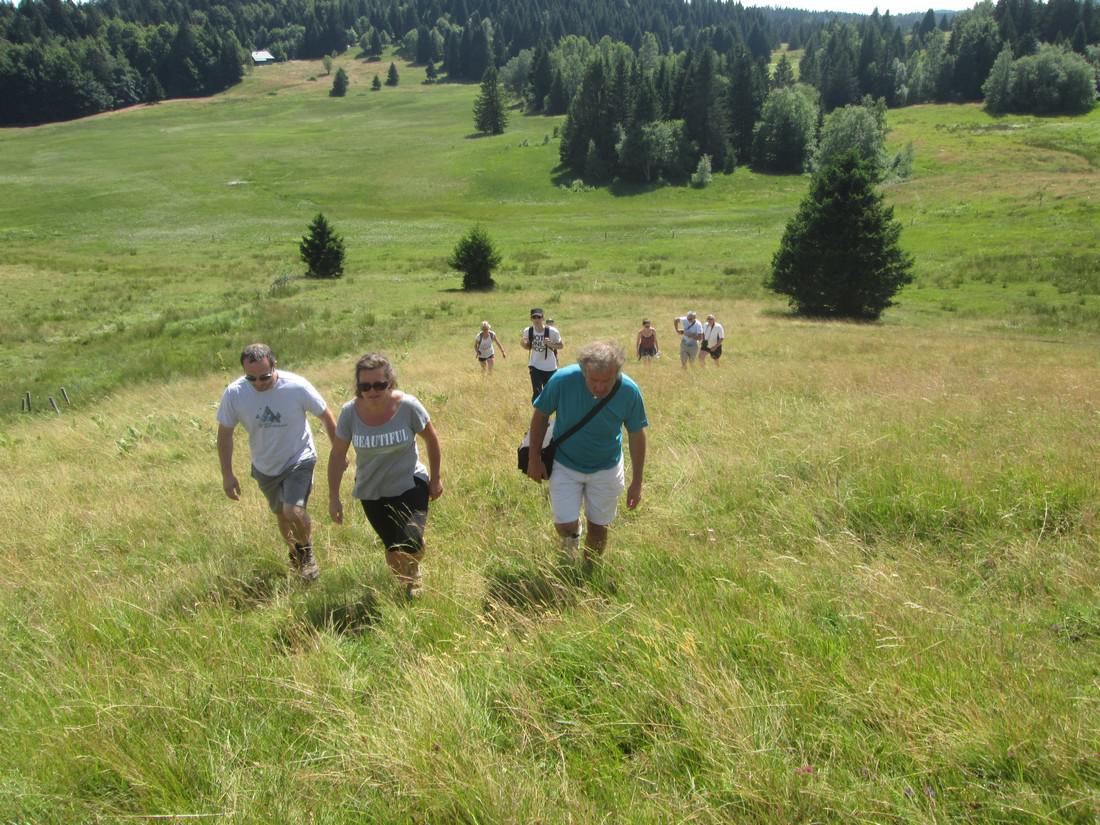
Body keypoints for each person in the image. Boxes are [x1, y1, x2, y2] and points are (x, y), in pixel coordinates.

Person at [216, 343, 337, 582]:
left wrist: (338, 453)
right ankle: (296, 555)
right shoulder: (234, 393)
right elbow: (225, 435)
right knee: (281, 515)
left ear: (275, 366)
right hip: (265, 465)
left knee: (293, 510)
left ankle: (307, 553)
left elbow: (326, 416)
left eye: (264, 377)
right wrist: (227, 474)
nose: (259, 383)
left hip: (299, 457)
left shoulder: (296, 386)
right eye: (251, 378)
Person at [526, 339, 648, 573]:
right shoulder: (562, 380)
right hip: (564, 464)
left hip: (607, 467)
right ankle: (572, 542)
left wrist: (637, 483)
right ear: (583, 371)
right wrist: (534, 459)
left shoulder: (629, 391)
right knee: (565, 524)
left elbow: (636, 434)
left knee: (599, 528)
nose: (600, 388)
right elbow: (540, 415)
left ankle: (588, 571)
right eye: (593, 380)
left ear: (617, 373)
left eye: (607, 381)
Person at [327, 353, 443, 599]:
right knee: (393, 550)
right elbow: (337, 455)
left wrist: (435, 478)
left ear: (390, 382)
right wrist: (333, 497)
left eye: (379, 384)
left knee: (410, 540)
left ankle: (414, 571)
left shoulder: (408, 406)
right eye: (365, 386)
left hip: (410, 482)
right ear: (358, 386)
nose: (372, 391)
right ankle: (406, 581)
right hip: (371, 490)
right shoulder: (349, 413)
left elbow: (432, 440)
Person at [521, 307, 563, 402]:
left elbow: (561, 346)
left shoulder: (552, 331)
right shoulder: (528, 331)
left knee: (550, 393)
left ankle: (548, 409)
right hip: (534, 365)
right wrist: (523, 342)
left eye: (539, 317)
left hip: (550, 367)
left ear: (543, 318)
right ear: (531, 319)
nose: (536, 320)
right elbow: (527, 347)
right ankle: (537, 410)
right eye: (534, 317)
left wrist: (550, 344)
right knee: (537, 392)